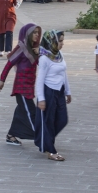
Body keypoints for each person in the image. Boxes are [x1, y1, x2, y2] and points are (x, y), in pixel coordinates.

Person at [0, 23, 41, 146]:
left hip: (29, 87)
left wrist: (41, 52)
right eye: (34, 33)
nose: (37, 35)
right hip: (21, 88)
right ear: (27, 34)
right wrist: (2, 80)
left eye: (38, 33)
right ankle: (41, 137)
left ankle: (11, 135)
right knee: (31, 112)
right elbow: (9, 64)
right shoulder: (21, 48)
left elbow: (43, 65)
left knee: (21, 112)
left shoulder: (35, 50)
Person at [34, 30, 71, 161]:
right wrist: (41, 98)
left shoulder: (59, 55)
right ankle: (51, 150)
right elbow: (40, 79)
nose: (62, 44)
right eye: (59, 41)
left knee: (62, 119)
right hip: (48, 91)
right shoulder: (44, 58)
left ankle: (44, 139)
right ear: (52, 42)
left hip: (59, 91)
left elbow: (64, 72)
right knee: (48, 122)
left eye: (62, 41)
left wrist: (68, 91)